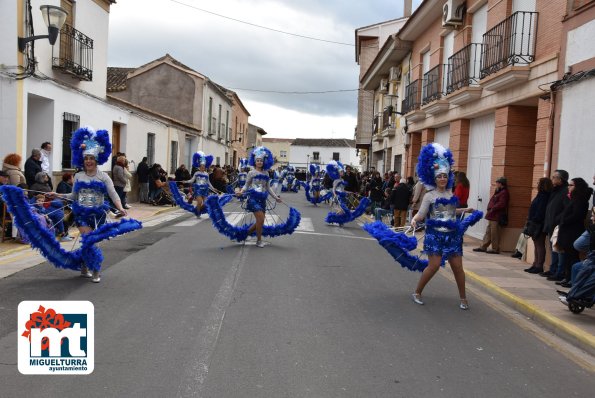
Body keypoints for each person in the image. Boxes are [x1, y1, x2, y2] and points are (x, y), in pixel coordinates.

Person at [408, 143, 478, 310]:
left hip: (452, 235)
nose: (442, 179)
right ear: (434, 178)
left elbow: (451, 212)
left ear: (448, 178)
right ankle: (417, 292)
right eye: (439, 176)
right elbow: (422, 214)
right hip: (435, 236)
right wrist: (414, 220)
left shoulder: (451, 194)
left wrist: (465, 209)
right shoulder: (429, 196)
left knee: (458, 268)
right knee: (434, 266)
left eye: (444, 176)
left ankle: (463, 298)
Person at [61, 127, 133, 282]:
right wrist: (58, 195)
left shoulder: (104, 177)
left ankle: (85, 266)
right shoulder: (78, 176)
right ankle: (95, 270)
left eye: (91, 158)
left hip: (99, 215)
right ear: (83, 160)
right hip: (82, 214)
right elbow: (74, 195)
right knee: (89, 240)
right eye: (86, 158)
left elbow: (113, 194)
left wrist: (120, 207)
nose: (88, 161)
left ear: (96, 160)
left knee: (93, 242)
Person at [237, 146, 281, 248]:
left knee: (260, 221)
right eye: (257, 160)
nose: (259, 162)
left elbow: (268, 188)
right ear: (254, 161)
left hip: (263, 200)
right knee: (260, 219)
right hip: (253, 199)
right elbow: (246, 185)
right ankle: (259, 240)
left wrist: (276, 198)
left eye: (261, 160)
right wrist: (241, 191)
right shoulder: (251, 173)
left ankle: (245, 234)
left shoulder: (266, 173)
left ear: (264, 161)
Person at [555, 177, 592, 287]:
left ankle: (572, 279)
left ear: (578, 187)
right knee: (567, 255)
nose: (568, 187)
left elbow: (576, 215)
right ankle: (567, 277)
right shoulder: (572, 198)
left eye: (571, 185)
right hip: (566, 230)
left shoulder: (581, 200)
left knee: (572, 255)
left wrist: (563, 221)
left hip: (572, 231)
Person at [542, 170, 570, 279]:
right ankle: (552, 270)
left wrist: (558, 220)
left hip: (558, 226)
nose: (552, 179)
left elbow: (566, 209)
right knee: (552, 249)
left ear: (561, 179)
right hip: (551, 225)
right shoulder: (554, 190)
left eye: (554, 177)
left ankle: (559, 273)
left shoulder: (565, 191)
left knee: (558, 250)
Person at [473, 177, 509, 254]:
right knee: (488, 232)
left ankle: (495, 249)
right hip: (492, 215)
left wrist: (493, 208)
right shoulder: (498, 191)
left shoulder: (504, 192)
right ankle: (483, 247)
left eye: (497, 183)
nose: (496, 184)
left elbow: (502, 204)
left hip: (496, 216)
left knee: (494, 233)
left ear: (501, 184)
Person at [523, 177, 553, 273]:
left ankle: (539, 265)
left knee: (539, 245)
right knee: (536, 244)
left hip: (539, 224)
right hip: (535, 223)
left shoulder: (544, 196)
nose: (536, 184)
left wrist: (534, 219)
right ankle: (535, 264)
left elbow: (540, 211)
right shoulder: (541, 194)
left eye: (538, 183)